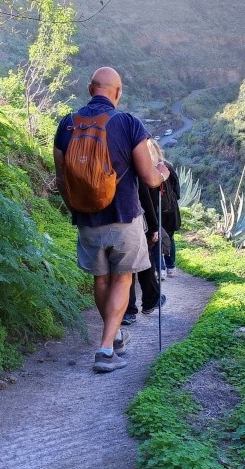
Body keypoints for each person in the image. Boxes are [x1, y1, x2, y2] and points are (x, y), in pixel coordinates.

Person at [53, 67, 170, 374]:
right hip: (123, 217)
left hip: (87, 220)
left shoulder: (67, 124)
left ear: (90, 89)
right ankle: (106, 351)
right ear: (117, 92)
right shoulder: (128, 123)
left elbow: (61, 178)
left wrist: (77, 208)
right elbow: (148, 177)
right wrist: (162, 175)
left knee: (101, 279)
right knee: (122, 278)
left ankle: (115, 333)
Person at [123, 175, 167, 326]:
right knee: (143, 261)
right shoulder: (136, 168)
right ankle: (148, 301)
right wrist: (154, 228)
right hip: (136, 223)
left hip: (102, 222)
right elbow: (147, 200)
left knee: (123, 268)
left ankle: (127, 311)